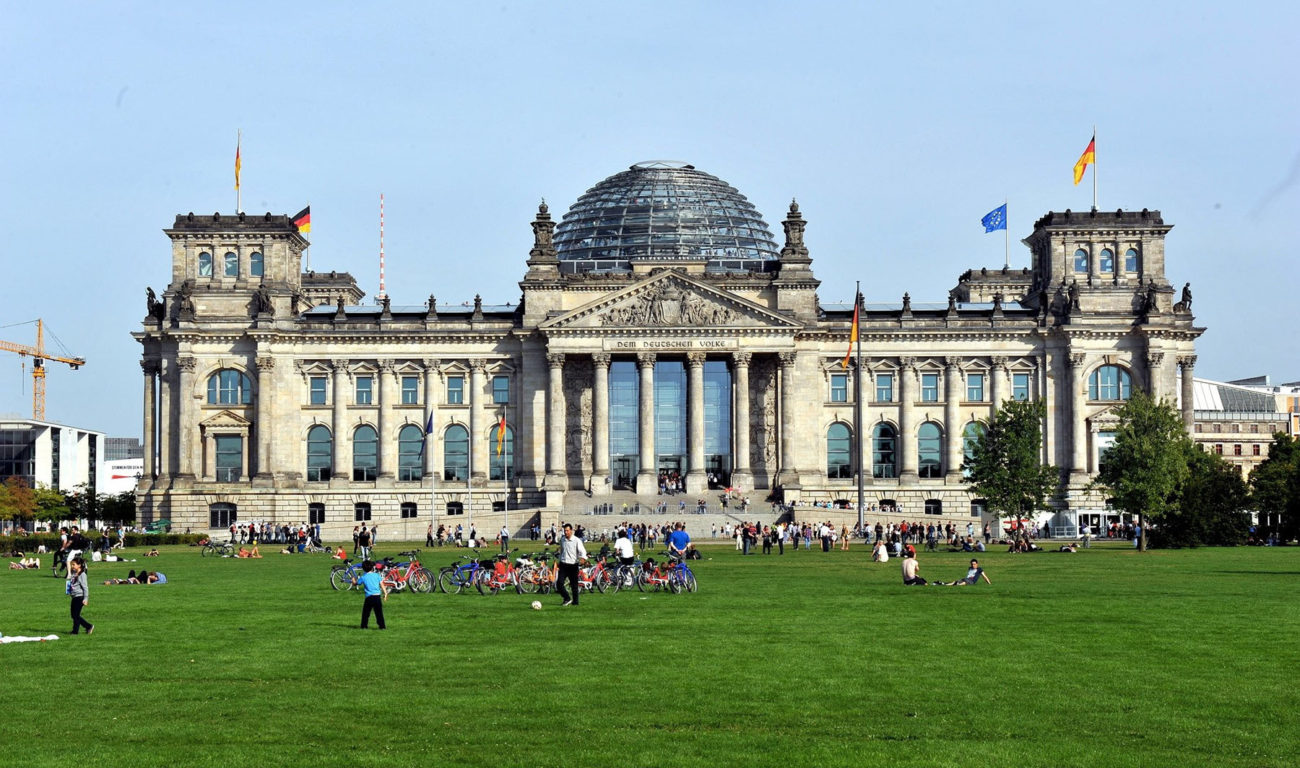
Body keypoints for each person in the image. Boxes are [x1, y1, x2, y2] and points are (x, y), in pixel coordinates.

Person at [556, 523, 587, 607]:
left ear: (571, 531)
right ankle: (567, 598)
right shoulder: (562, 540)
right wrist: (559, 561)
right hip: (563, 564)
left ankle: (575, 602)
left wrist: (583, 558)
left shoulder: (576, 540)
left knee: (574, 585)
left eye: (567, 530)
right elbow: (562, 551)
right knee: (559, 583)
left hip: (573, 565)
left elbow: (583, 551)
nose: (566, 532)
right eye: (565, 531)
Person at [66, 556, 94, 635]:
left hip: (80, 597)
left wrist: (86, 599)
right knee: (74, 615)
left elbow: (85, 587)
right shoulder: (74, 574)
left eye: (73, 564)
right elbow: (72, 584)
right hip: (74, 597)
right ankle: (80, 629)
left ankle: (86, 627)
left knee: (75, 615)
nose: (72, 566)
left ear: (79, 565)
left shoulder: (82, 575)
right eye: (72, 564)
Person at [357, 560, 387, 629]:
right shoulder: (377, 575)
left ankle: (364, 626)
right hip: (377, 597)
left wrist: (353, 581)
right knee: (379, 613)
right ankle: (382, 626)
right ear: (372, 567)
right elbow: (382, 584)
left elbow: (357, 583)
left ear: (363, 568)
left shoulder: (363, 577)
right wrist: (385, 593)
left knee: (366, 613)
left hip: (369, 597)